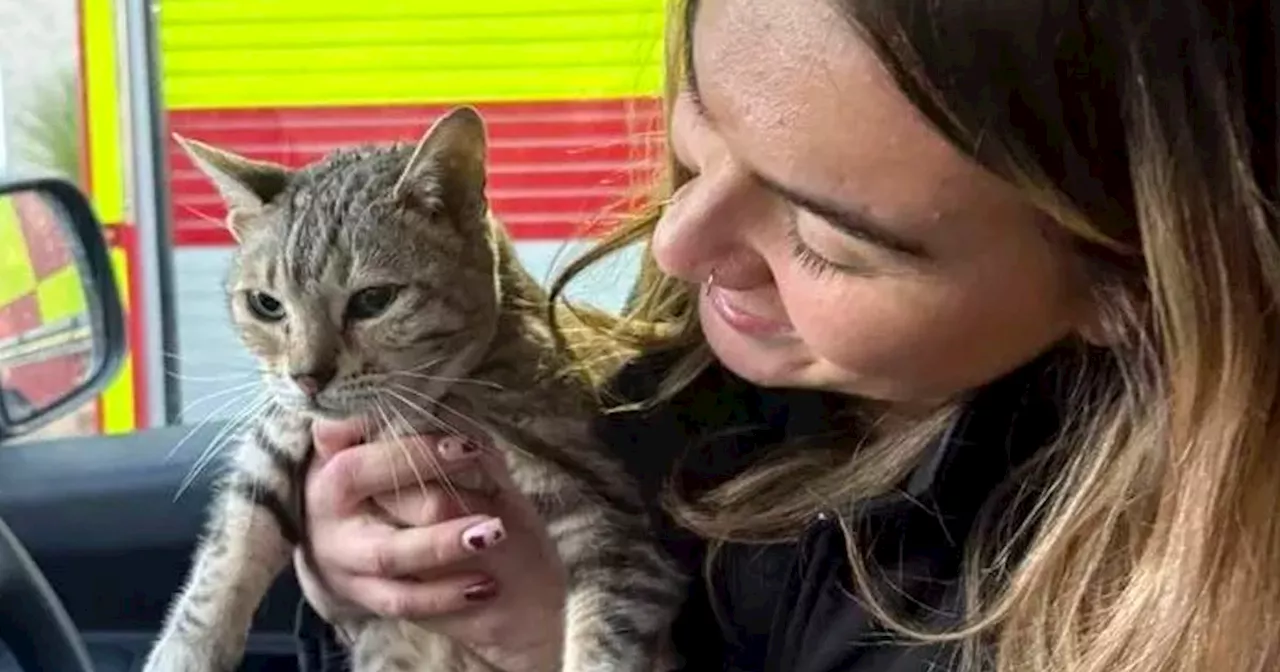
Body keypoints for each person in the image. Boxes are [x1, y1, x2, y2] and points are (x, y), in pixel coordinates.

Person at [290, 0, 1280, 670]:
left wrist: (563, 637)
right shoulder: (666, 388)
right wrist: (385, 586)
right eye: (698, 112)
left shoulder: (1073, 618)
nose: (676, 243)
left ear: (1133, 287)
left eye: (825, 239)